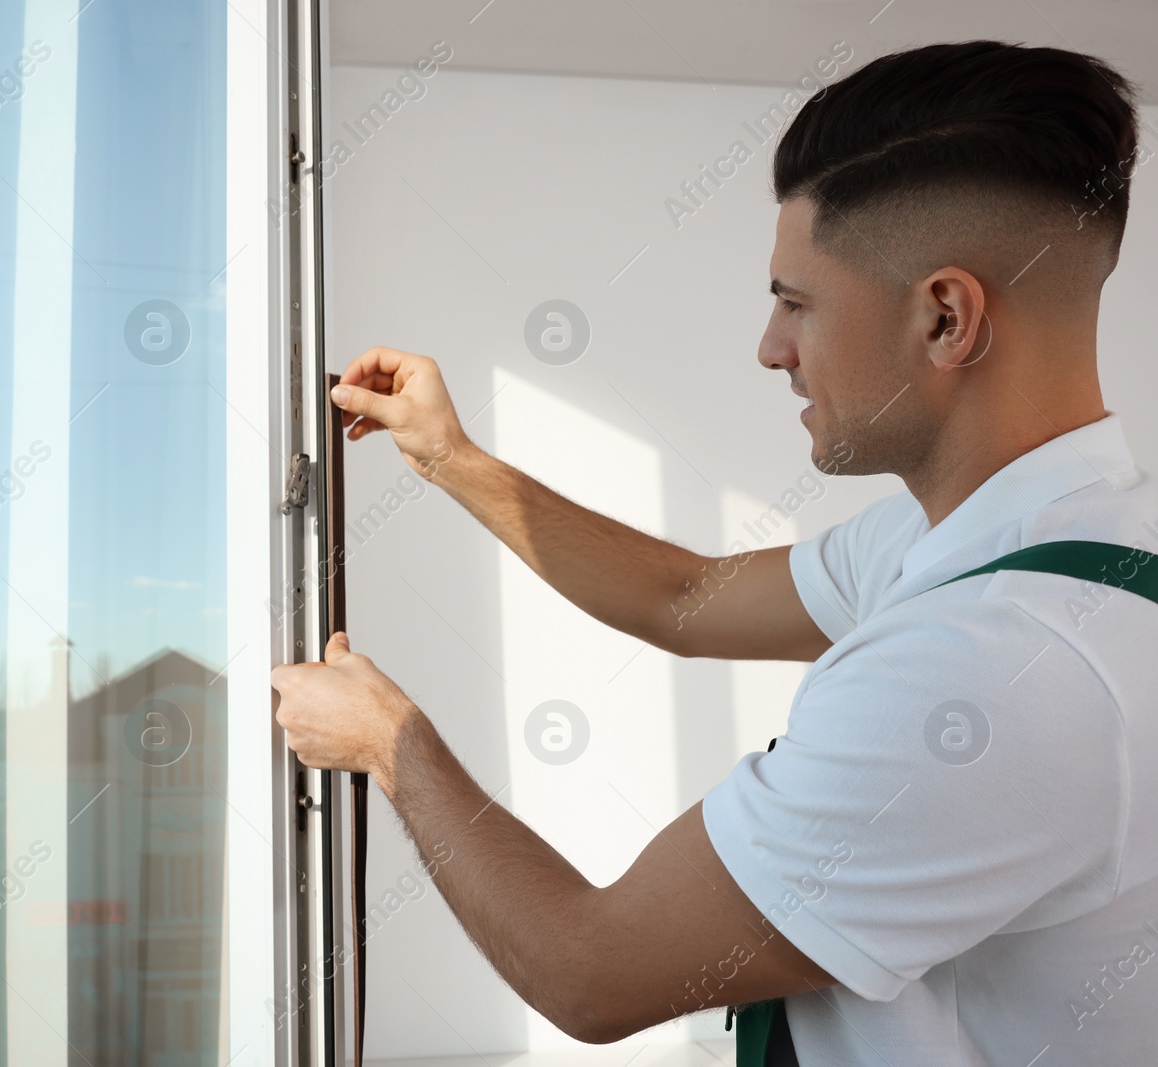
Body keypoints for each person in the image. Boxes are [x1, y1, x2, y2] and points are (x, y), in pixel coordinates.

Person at [269, 39, 1158, 1065]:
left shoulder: (987, 668)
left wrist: (390, 742)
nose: (770, 347)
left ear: (945, 317)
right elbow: (684, 597)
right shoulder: (1046, 537)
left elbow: (589, 969)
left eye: (795, 301)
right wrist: (452, 458)